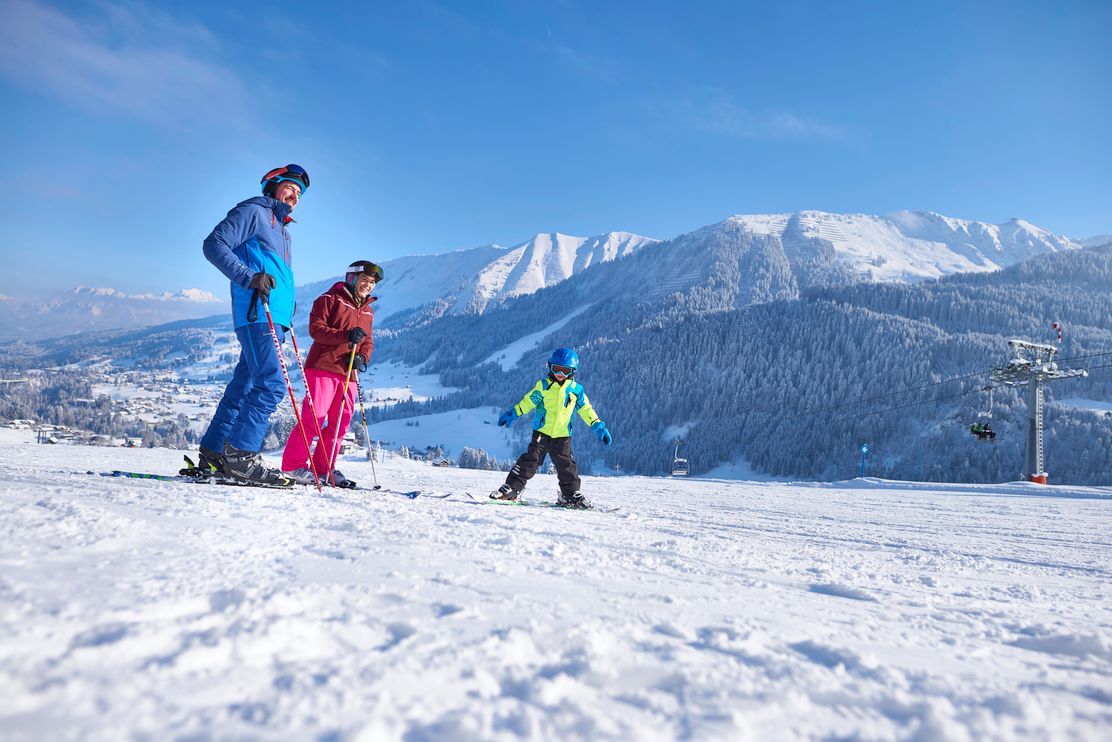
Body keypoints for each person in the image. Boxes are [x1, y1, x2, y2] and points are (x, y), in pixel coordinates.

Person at [195, 164, 310, 486]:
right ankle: (241, 457)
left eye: (300, 193)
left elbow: (271, 270)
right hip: (257, 314)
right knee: (272, 382)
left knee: (243, 386)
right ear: (272, 186)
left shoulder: (283, 230)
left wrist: (287, 306)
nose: (295, 196)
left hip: (274, 316)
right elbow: (213, 244)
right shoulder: (255, 212)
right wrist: (248, 278)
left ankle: (214, 453)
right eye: (290, 187)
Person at [280, 261, 382, 487]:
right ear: (353, 278)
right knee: (313, 419)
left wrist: (362, 357)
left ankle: (324, 468)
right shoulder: (329, 299)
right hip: (323, 367)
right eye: (364, 280)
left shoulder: (368, 311)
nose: (368, 286)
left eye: (372, 283)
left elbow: (368, 340)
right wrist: (346, 336)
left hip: (349, 373)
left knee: (340, 424)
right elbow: (316, 329)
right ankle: (293, 465)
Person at [493, 347, 613, 509]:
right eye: (556, 369)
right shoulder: (543, 386)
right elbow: (528, 402)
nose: (560, 374)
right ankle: (512, 488)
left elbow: (586, 410)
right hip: (542, 433)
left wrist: (598, 427)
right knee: (531, 460)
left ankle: (569, 495)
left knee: (566, 466)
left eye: (565, 371)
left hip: (563, 436)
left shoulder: (576, 391)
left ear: (572, 371)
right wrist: (513, 413)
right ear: (550, 367)